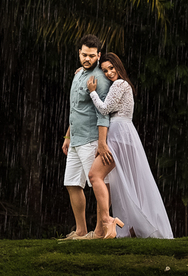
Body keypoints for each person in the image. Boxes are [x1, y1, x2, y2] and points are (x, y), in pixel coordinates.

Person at [85, 52, 173, 239]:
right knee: (123, 182)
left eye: (111, 68)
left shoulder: (120, 84)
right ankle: (129, 226)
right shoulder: (122, 84)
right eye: (104, 70)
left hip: (119, 133)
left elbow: (105, 108)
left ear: (119, 66)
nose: (109, 73)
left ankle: (109, 223)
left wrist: (92, 92)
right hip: (121, 133)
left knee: (96, 175)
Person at [60, 34, 112, 240]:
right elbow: (75, 109)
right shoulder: (78, 73)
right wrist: (67, 136)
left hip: (91, 139)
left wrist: (102, 142)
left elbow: (103, 113)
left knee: (98, 185)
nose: (87, 59)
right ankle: (81, 230)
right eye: (84, 55)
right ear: (79, 53)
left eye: (91, 55)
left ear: (98, 55)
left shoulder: (100, 78)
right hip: (75, 139)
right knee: (72, 183)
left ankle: (100, 232)